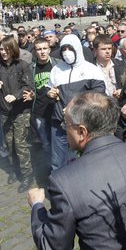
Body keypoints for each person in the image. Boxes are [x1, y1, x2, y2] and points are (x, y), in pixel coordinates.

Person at [28, 92, 126, 249]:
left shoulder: (64, 182)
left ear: (82, 132)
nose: (64, 130)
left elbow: (53, 246)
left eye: (65, 125)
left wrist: (37, 207)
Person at [46, 34, 105, 171]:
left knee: (82, 161)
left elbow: (99, 93)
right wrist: (49, 93)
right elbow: (49, 88)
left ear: (77, 48)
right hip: (59, 124)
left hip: (82, 125)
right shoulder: (56, 70)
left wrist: (75, 106)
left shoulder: (91, 69)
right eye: (63, 49)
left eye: (70, 48)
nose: (67, 52)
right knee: (57, 162)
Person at [0, 36, 36, 192]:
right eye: (1, 49)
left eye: (7, 49)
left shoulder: (22, 65)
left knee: (20, 144)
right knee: (9, 144)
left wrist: (16, 95)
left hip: (21, 111)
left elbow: (28, 86)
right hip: (4, 112)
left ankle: (27, 175)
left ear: (13, 49)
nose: (4, 52)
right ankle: (15, 171)